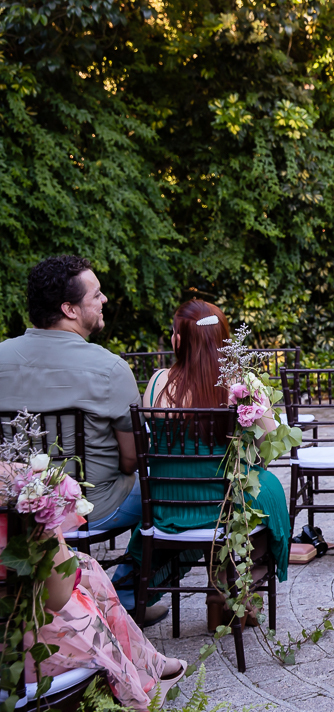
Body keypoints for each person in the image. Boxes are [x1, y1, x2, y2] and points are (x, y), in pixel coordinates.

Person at [111, 300, 291, 615]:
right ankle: (233, 588)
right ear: (223, 338)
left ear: (179, 340)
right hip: (222, 505)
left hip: (169, 504)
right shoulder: (242, 384)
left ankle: (220, 590)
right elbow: (269, 443)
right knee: (267, 493)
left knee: (259, 491)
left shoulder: (157, 382)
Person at [1, 491, 186, 709]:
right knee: (153, 504)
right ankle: (139, 681)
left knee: (85, 566)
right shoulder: (23, 495)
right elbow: (58, 598)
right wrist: (50, 520)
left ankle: (145, 663)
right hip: (18, 649)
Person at [0, 256, 141, 534]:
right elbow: (132, 459)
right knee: (168, 495)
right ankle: (132, 575)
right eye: (97, 294)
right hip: (92, 509)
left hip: (13, 511)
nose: (105, 300)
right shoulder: (111, 369)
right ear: (69, 309)